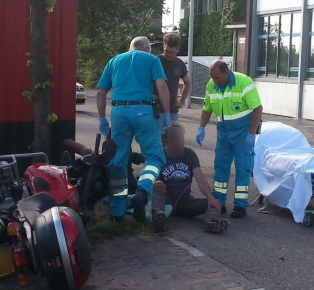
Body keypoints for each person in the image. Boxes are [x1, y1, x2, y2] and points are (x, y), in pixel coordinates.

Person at [96, 36, 171, 223]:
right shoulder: (151, 59)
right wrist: (167, 113)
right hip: (143, 110)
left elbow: (100, 91)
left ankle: (117, 212)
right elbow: (161, 84)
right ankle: (143, 192)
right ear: (147, 49)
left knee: (118, 159)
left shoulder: (114, 60)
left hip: (119, 112)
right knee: (155, 156)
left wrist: (101, 118)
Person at [196, 60, 262, 219]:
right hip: (224, 133)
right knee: (220, 167)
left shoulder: (244, 82)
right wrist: (201, 127)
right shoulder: (212, 85)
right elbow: (207, 109)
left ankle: (240, 206)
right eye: (212, 77)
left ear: (226, 73)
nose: (215, 81)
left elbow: (258, 108)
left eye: (217, 77)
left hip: (242, 133)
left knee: (242, 168)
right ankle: (219, 202)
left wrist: (251, 133)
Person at [151, 123, 229, 234]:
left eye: (181, 140)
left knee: (213, 202)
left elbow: (200, 179)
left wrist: (211, 197)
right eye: (176, 140)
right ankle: (158, 219)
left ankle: (212, 223)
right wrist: (157, 181)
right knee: (158, 191)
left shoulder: (190, 155)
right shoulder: (159, 155)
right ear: (167, 141)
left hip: (184, 201)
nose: (180, 143)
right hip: (166, 200)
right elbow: (150, 175)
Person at [158, 32, 191, 121]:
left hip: (173, 111)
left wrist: (182, 101)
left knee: (175, 134)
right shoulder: (156, 61)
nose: (169, 55)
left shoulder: (179, 63)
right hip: (156, 111)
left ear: (177, 49)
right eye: (167, 52)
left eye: (172, 53)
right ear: (164, 46)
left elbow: (187, 83)